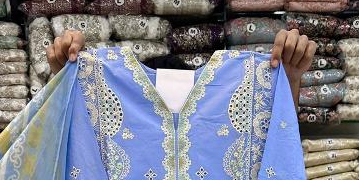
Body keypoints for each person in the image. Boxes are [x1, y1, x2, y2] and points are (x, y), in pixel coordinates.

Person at [46, 27, 317, 107]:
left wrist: (288, 79)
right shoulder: (109, 135)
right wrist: (67, 79)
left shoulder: (229, 132)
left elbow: (276, 149)